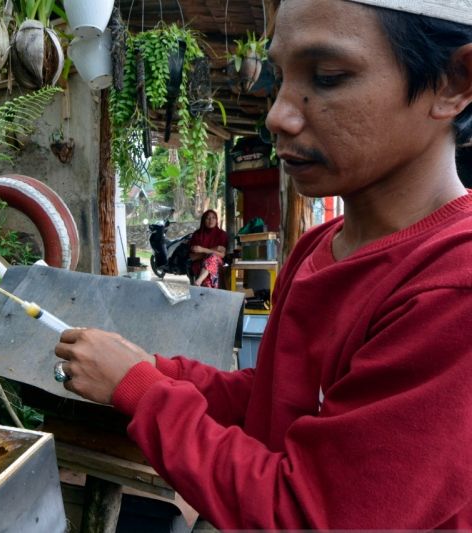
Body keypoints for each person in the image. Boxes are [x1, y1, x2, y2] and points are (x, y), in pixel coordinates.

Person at [54, 0, 472, 528]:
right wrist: (158, 371)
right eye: (280, 77)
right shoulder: (320, 245)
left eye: (327, 77)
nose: (278, 114)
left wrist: (142, 390)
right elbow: (276, 399)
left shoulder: (453, 288)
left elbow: (304, 515)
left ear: (455, 82)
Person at [188, 209, 228, 287]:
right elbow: (192, 257)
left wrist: (202, 250)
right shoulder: (197, 235)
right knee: (211, 258)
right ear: (203, 220)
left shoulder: (222, 234)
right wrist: (215, 249)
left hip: (217, 263)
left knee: (212, 257)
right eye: (208, 218)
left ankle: (198, 281)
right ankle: (204, 287)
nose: (211, 220)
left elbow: (222, 255)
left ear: (216, 220)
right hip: (199, 264)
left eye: (213, 218)